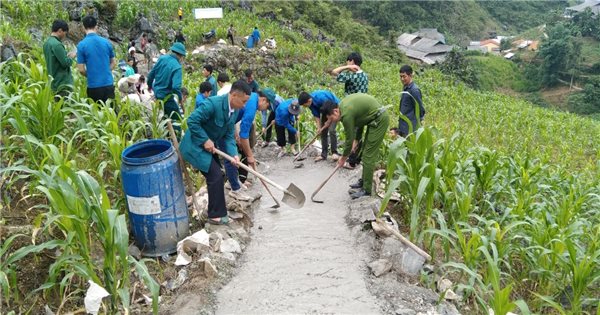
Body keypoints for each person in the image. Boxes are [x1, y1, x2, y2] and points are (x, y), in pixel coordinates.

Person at [179, 80, 252, 225]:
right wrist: (205, 139)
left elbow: (229, 136)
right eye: (243, 101)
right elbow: (192, 121)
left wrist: (234, 154)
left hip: (210, 148)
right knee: (216, 175)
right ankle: (215, 216)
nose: (244, 105)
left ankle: (218, 211)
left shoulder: (234, 110)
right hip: (195, 145)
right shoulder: (212, 104)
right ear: (234, 95)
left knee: (220, 174)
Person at [322, 93, 389, 199]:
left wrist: (343, 159)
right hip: (372, 120)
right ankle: (363, 182)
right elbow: (359, 122)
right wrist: (357, 140)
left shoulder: (346, 114)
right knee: (364, 153)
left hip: (379, 120)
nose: (333, 121)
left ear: (335, 111)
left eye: (332, 118)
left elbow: (348, 141)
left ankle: (366, 190)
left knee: (368, 156)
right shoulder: (343, 106)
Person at [221, 88, 275, 192]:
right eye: (267, 106)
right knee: (231, 156)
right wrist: (250, 156)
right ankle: (234, 188)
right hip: (222, 127)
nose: (265, 109)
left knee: (234, 154)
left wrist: (236, 135)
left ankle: (235, 182)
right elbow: (244, 135)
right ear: (263, 100)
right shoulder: (251, 105)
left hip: (228, 126)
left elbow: (234, 119)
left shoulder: (252, 98)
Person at [332, 52, 369, 170]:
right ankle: (355, 160)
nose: (347, 63)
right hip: (363, 108)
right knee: (358, 135)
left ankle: (350, 161)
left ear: (352, 61)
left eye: (348, 61)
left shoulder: (352, 76)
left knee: (351, 135)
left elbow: (334, 72)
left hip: (352, 109)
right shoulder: (364, 75)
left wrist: (347, 67)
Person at [147, 42, 186, 133]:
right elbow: (175, 87)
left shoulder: (161, 59)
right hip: (166, 97)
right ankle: (177, 140)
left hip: (157, 94)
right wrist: (180, 99)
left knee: (165, 117)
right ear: (181, 56)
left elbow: (151, 75)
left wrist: (149, 86)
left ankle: (166, 135)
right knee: (176, 119)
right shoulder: (177, 67)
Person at [77, 15, 116, 103]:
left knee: (96, 114)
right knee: (110, 114)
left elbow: (81, 70)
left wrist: (91, 75)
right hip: (108, 84)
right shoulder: (106, 42)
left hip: (93, 86)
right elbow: (114, 62)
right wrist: (105, 71)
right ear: (96, 27)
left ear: (83, 28)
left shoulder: (81, 45)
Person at [297, 90, 341, 161]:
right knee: (323, 131)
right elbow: (316, 115)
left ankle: (334, 153)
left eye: (304, 105)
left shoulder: (320, 98)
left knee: (331, 130)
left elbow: (330, 109)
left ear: (309, 100)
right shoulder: (310, 104)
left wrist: (329, 121)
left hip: (334, 109)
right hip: (325, 111)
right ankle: (324, 155)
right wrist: (318, 128)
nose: (304, 107)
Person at [43, 19, 76, 98]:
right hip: (62, 83)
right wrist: (72, 56)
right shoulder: (57, 44)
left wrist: (65, 56)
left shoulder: (47, 43)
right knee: (66, 108)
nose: (65, 36)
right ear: (60, 31)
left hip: (54, 82)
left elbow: (56, 59)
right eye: (65, 33)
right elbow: (65, 63)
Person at [398, 65, 425, 137]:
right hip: (402, 126)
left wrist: (419, 122)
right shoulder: (405, 87)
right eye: (401, 77)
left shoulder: (414, 90)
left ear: (410, 76)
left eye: (404, 76)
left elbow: (420, 109)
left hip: (410, 128)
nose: (402, 79)